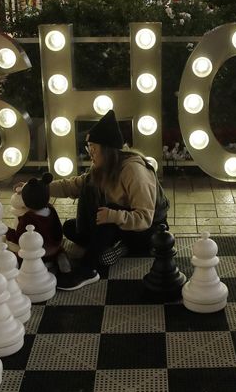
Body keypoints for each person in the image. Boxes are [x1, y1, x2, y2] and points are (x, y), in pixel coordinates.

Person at [43, 110, 169, 290]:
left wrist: (114, 216)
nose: (90, 153)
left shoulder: (134, 171)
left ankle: (88, 270)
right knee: (71, 227)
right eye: (89, 149)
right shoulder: (101, 167)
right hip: (121, 226)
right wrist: (41, 189)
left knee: (107, 213)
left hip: (148, 231)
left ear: (107, 149)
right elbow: (73, 186)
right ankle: (112, 247)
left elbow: (145, 219)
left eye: (93, 148)